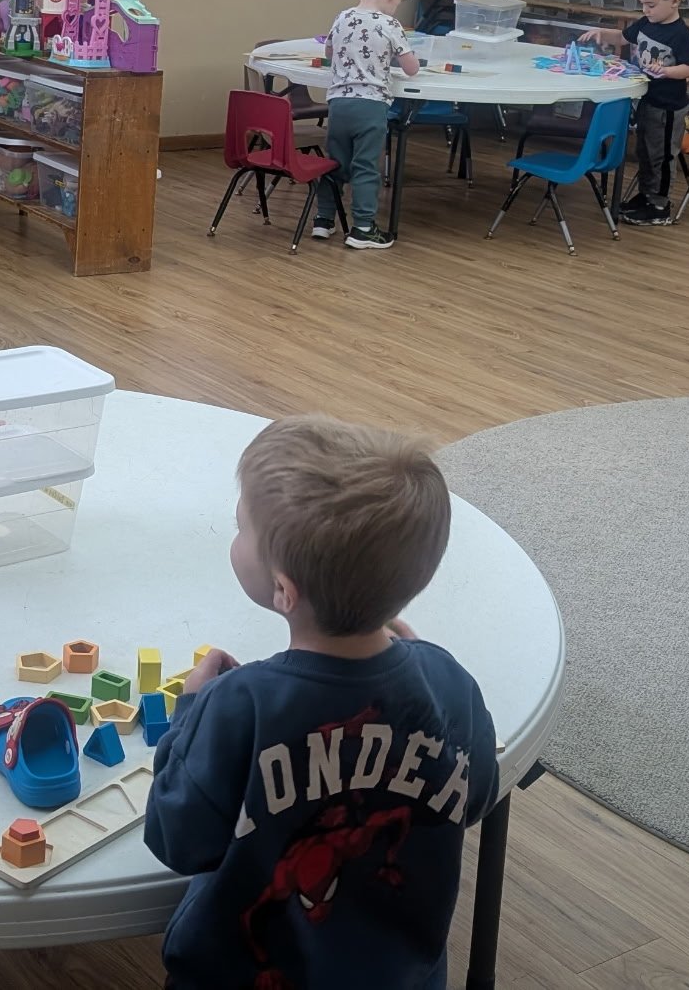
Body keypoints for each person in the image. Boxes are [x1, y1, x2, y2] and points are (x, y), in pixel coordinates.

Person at [144, 415, 499, 990]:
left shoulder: (240, 703)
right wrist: (423, 662)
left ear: (284, 589)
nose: (234, 539)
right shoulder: (448, 681)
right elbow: (477, 793)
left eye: (240, 529)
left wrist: (190, 713)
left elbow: (177, 839)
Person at [579, 0, 689, 226]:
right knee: (644, 151)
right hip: (648, 100)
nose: (645, 10)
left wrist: (667, 71)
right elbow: (622, 37)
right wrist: (602, 33)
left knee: (662, 155)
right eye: (643, 4)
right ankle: (646, 196)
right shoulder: (646, 23)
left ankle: (660, 205)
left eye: (651, 4)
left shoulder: (680, 34)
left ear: (675, 1)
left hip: (669, 107)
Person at [315, 0, 421, 251]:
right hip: (371, 105)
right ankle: (363, 228)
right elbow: (411, 68)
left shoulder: (342, 17)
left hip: (339, 103)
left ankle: (323, 220)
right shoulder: (390, 24)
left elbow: (328, 53)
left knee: (334, 162)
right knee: (365, 166)